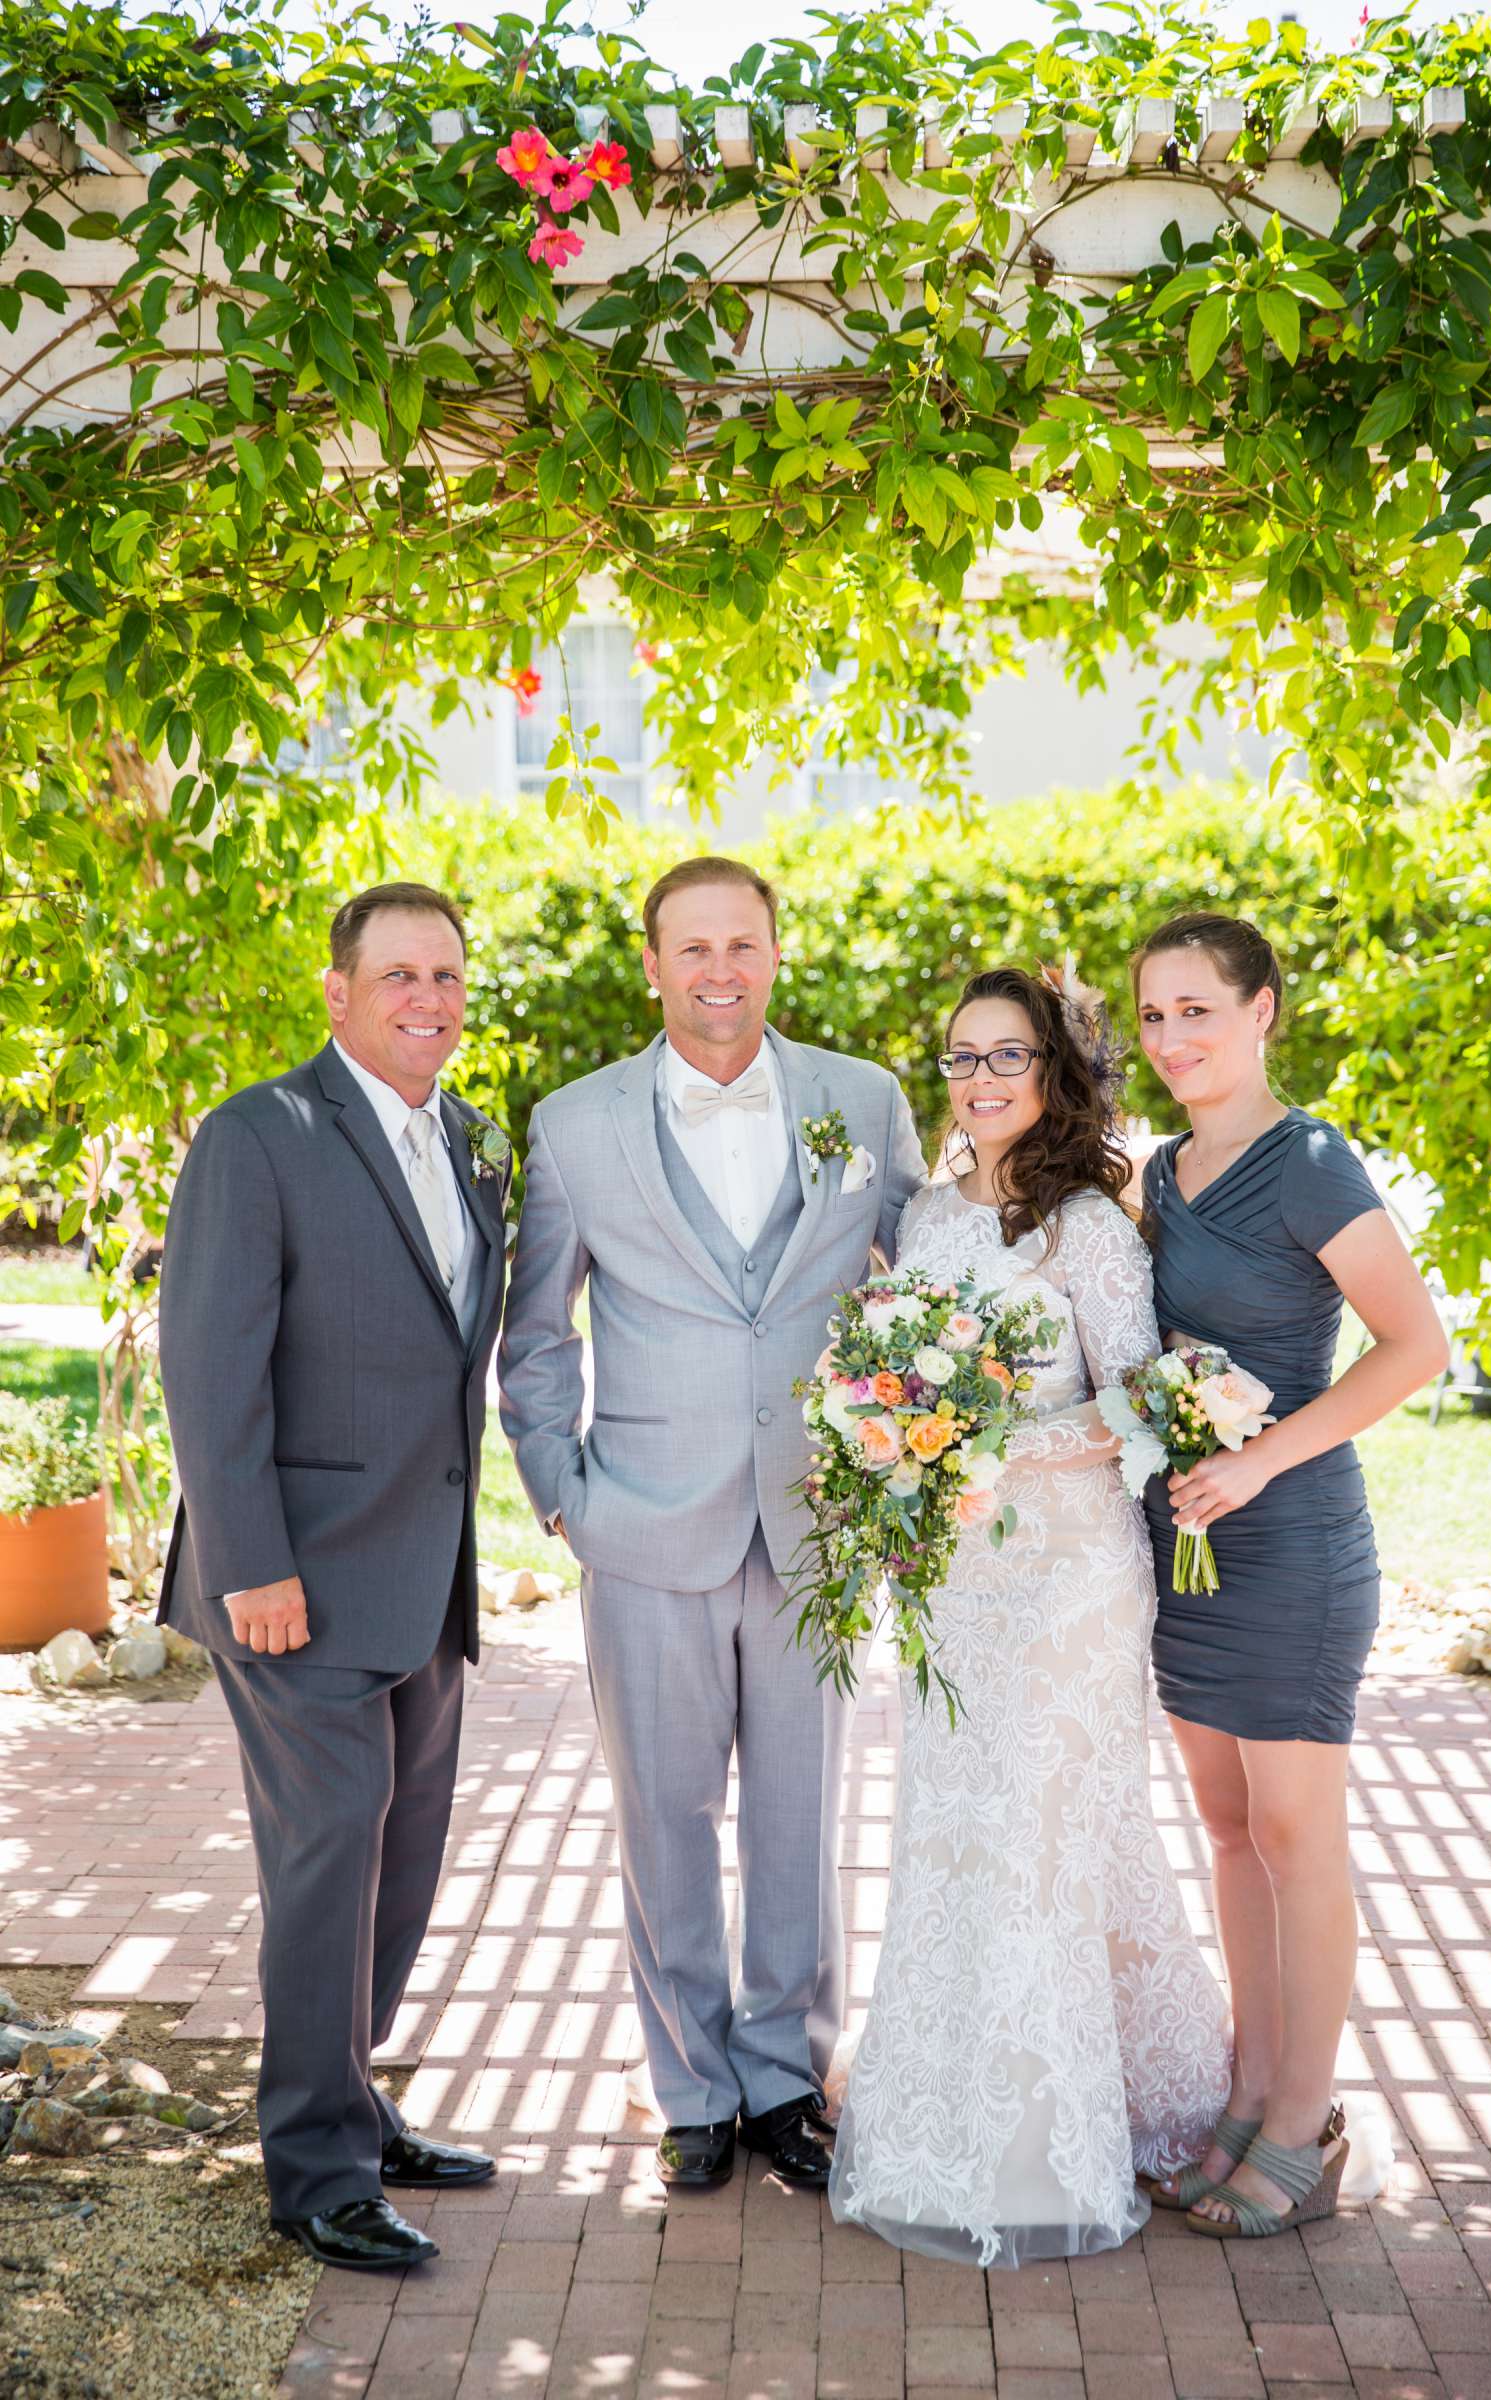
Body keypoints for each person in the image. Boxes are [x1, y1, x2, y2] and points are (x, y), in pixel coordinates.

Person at [498, 856, 924, 2193]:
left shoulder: (862, 1102)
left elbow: (930, 1285)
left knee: (802, 1818)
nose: (720, 972)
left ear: (777, 954)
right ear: (651, 964)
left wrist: (906, 1456)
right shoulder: (573, 1125)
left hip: (818, 1525)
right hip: (641, 1527)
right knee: (663, 1819)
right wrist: (562, 1491)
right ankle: (689, 2084)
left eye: (743, 944)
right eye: (693, 949)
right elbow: (535, 1334)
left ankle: (788, 2079)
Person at [829, 965, 1232, 2267]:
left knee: (1042, 1838)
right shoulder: (931, 1216)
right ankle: (949, 2110)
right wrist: (904, 1457)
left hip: (1067, 1583)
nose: (983, 1078)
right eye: (961, 1059)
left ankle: (1048, 2142)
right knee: (956, 1837)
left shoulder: (1091, 1228)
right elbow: (895, 1380)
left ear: (1054, 1073)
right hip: (952, 1586)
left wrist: (990, 1444)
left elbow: (1136, 1410)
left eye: (1008, 1056)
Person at [158, 881, 513, 2272]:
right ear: (338, 994)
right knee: (329, 1854)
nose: (427, 1000)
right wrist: (250, 1564)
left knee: (403, 1854)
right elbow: (207, 1366)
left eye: (446, 978)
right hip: (292, 1577)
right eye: (399, 976)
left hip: (424, 1573)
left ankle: (355, 2103)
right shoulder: (262, 1136)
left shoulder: (475, 1141)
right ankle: (314, 2169)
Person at [1133, 911, 1447, 2240]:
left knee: (1300, 1835)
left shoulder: (1311, 1159)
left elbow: (1414, 1346)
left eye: (1197, 1008)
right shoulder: (1157, 1170)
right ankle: (1248, 2103)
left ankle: (1306, 2123)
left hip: (1291, 1540)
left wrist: (1260, 1461)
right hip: (1185, 1542)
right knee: (1228, 1831)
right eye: (1153, 1016)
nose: (1173, 1038)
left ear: (1262, 1010)